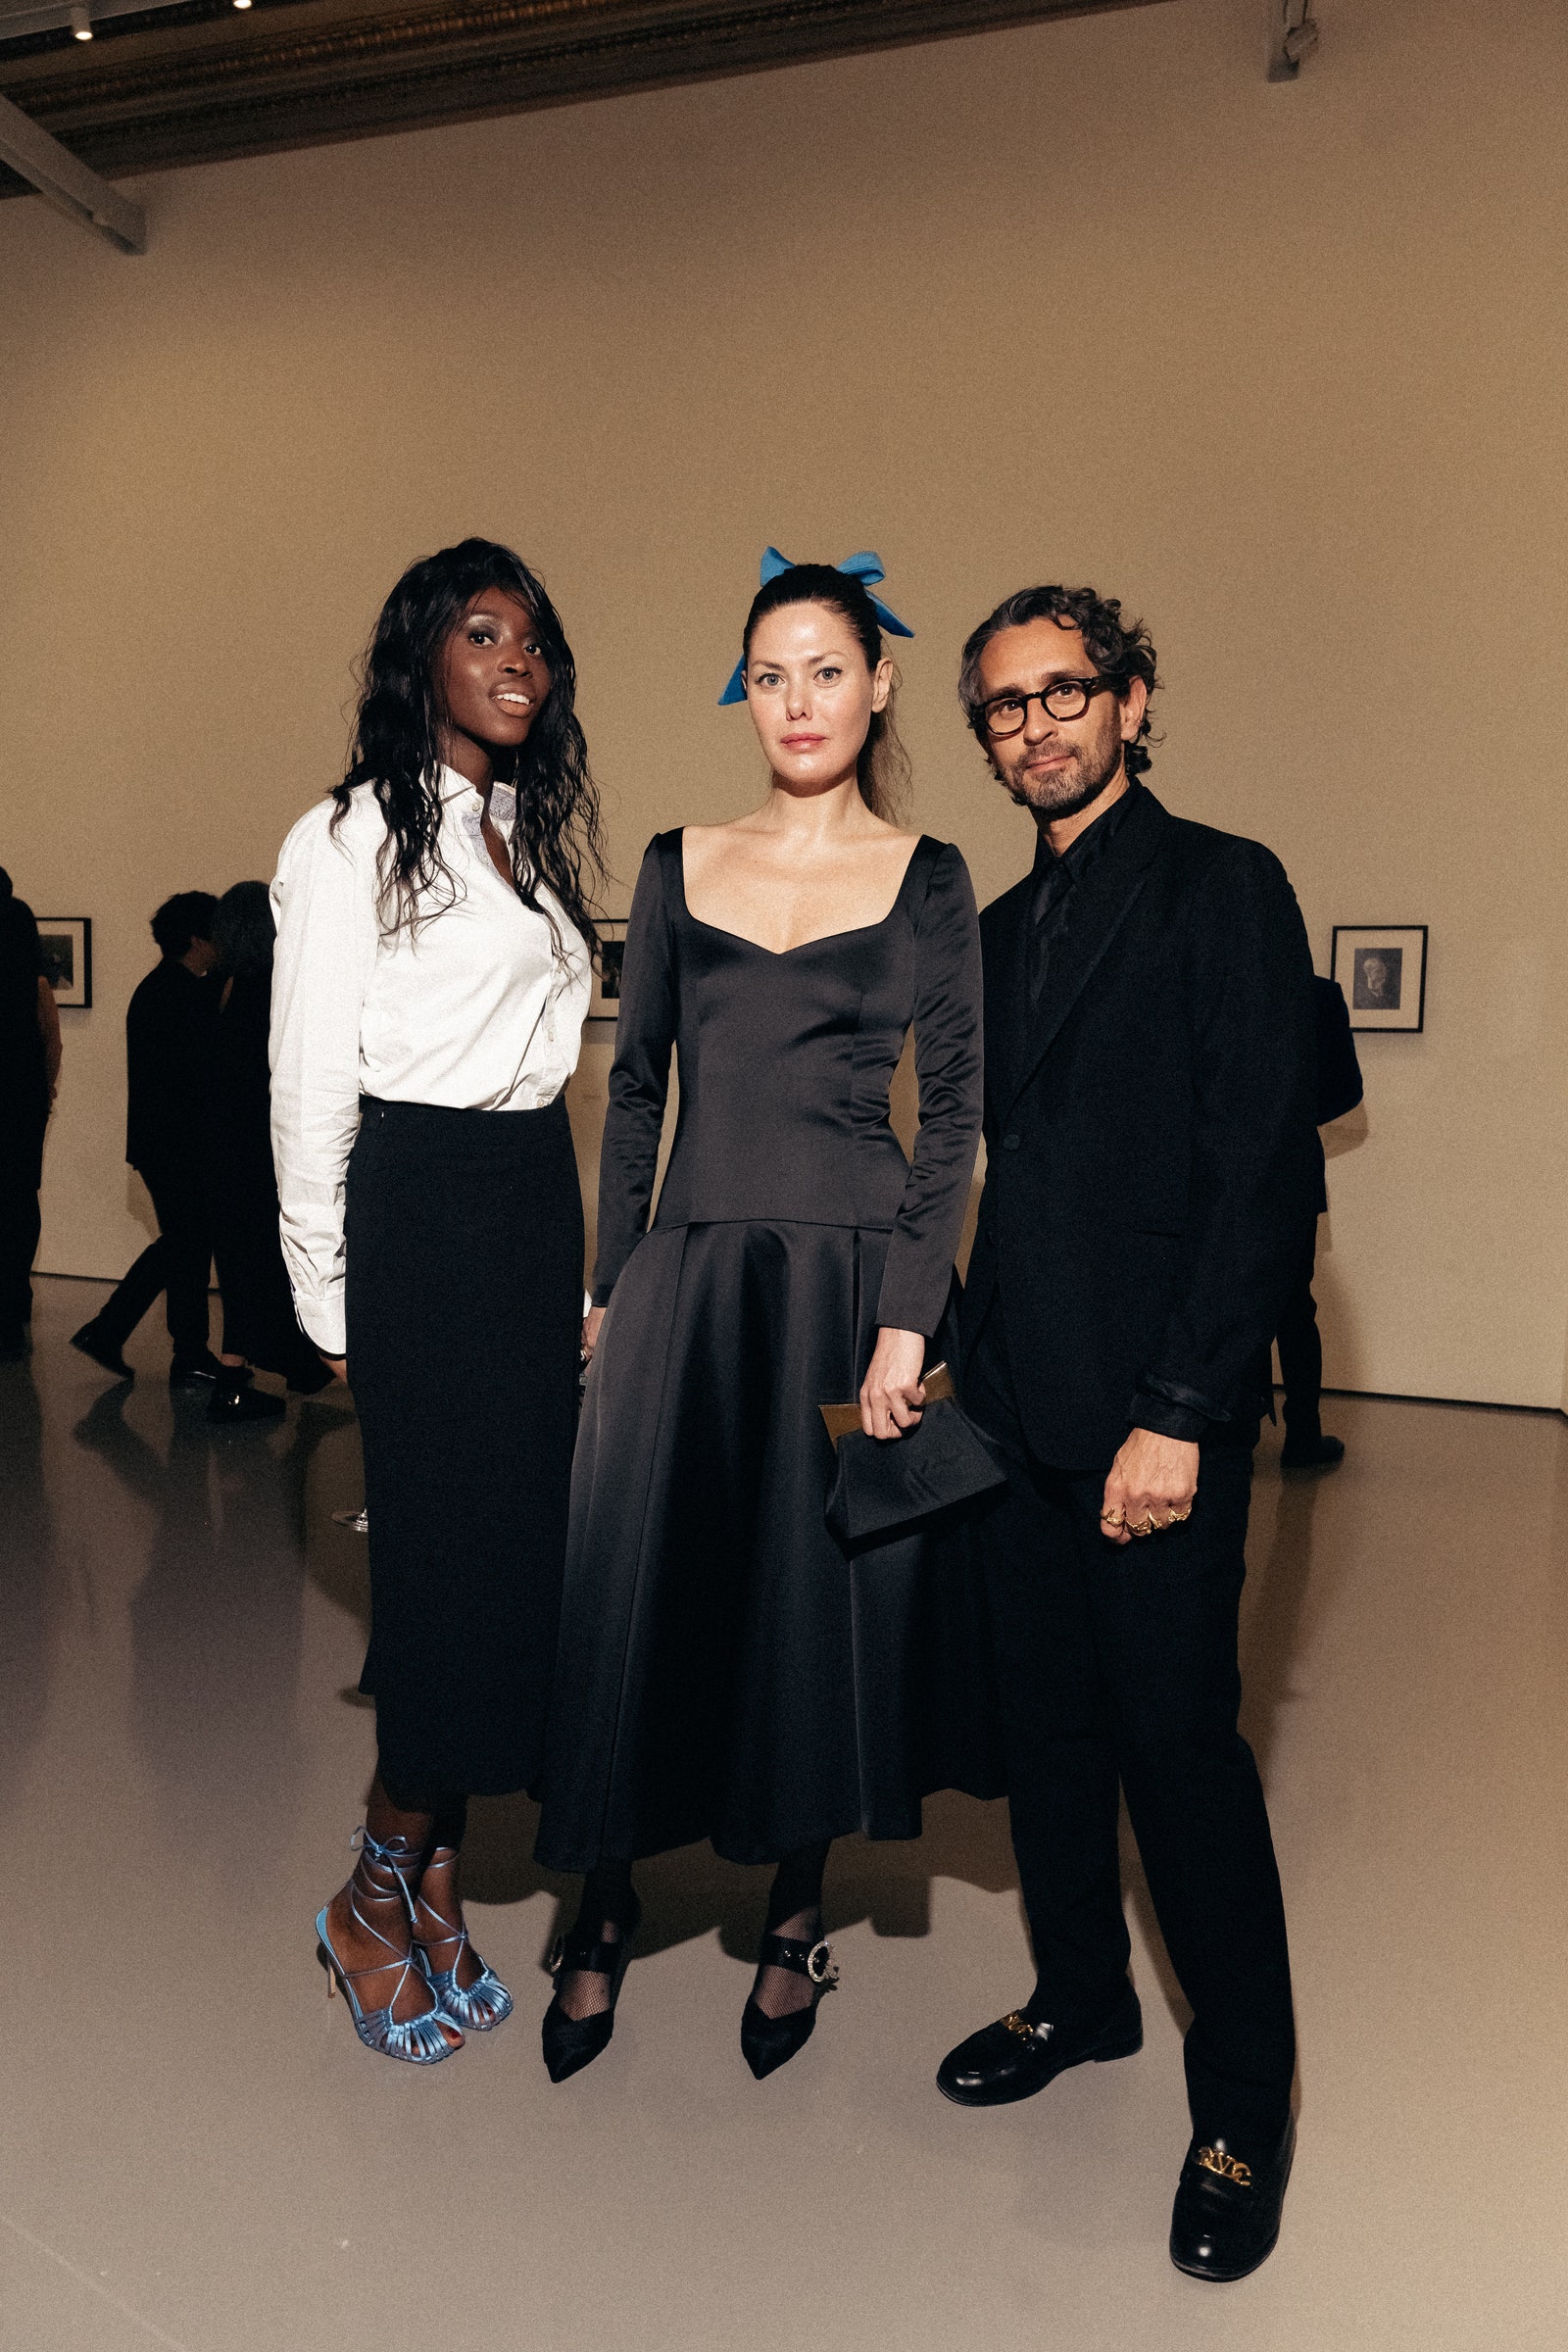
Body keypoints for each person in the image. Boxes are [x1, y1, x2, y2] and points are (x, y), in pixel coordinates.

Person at [533, 552, 996, 2085]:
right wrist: (609, 1284)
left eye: (827, 671)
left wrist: (909, 1321)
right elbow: (635, 1091)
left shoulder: (932, 878)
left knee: (816, 1606)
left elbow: (954, 1119)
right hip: (689, 1281)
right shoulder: (678, 863)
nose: (798, 702)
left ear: (880, 686)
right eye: (771, 675)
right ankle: (604, 1903)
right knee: (643, 1582)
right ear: (747, 692)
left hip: (853, 1290)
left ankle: (797, 1912)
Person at [936, 585, 1318, 2283]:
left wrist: (1181, 1413)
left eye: (1065, 691)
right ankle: (1083, 1998)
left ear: (1135, 702)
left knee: (1179, 1760)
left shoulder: (1224, 886)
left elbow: (1261, 1170)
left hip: (1154, 1426)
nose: (1037, 725)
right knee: (1051, 1742)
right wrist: (954, 1356)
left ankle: (1243, 2104)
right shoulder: (1000, 931)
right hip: (1020, 1414)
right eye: (1006, 705)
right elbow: (1005, 1178)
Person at [272, 538, 602, 2065]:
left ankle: (438, 1890)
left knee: (514, 1576)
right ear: (424, 658)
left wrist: (572, 1272)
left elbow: (537, 1077)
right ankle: (367, 1899)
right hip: (421, 1222)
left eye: (533, 640)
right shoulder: (347, 839)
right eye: (482, 632)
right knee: (447, 1588)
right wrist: (330, 1303)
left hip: (526, 1211)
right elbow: (308, 1086)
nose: (516, 660)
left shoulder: (523, 835)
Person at [72, 892, 223, 1386]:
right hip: (176, 1146)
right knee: (186, 1244)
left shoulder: (162, 987)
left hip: (163, 1144)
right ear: (197, 939)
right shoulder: (177, 994)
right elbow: (195, 1076)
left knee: (185, 1245)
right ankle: (127, 1335)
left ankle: (173, 1348)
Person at [203, 882, 335, 1424]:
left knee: (242, 1266)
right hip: (262, 1152)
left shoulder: (223, 988)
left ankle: (241, 1376)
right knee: (272, 1261)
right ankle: (288, 1365)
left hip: (224, 1149)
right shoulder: (272, 992)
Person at [1276, 974, 1363, 1467]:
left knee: (1230, 1298)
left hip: (1224, 1165)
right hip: (1291, 1165)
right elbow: (1346, 1090)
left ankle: (1235, 1434)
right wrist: (1292, 1117)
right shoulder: (1318, 995)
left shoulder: (1221, 982)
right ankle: (1302, 1435)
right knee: (1294, 1308)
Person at [0, 869, 62, 1360]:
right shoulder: (32, 981)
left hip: (23, 1096)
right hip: (21, 1097)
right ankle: (13, 1304)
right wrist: (45, 1090)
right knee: (20, 1199)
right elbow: (51, 1044)